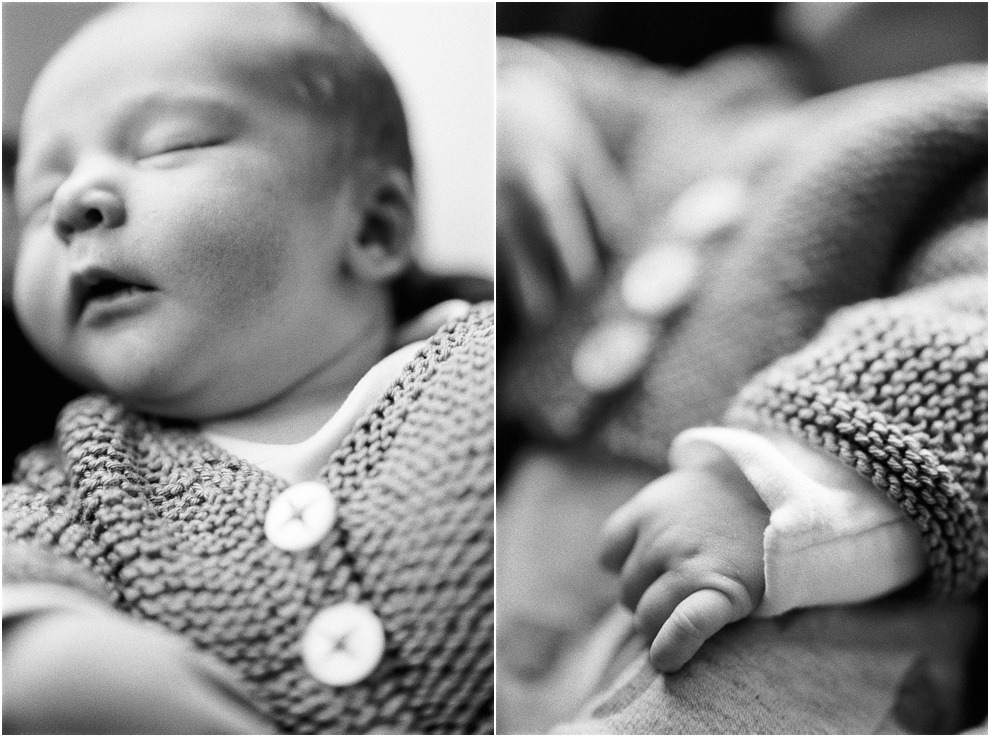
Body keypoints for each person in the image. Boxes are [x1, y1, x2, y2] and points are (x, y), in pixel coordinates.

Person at [2, 4, 494, 734]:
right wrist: (45, 651)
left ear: (373, 227)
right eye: (39, 201)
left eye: (172, 145)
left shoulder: (477, 359)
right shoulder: (77, 483)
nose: (73, 203)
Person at [496, 3, 986, 733]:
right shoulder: (719, 94)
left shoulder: (969, 122)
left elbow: (974, 317)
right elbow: (563, 76)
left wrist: (779, 485)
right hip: (536, 543)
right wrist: (518, 101)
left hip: (796, 578)